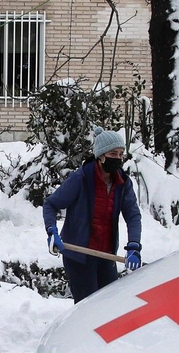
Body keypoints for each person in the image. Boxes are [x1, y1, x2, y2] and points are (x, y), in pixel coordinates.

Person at [44, 129, 143, 302]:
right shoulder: (81, 179)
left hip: (106, 255)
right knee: (86, 308)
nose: (118, 158)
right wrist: (52, 231)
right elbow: (51, 204)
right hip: (79, 257)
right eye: (113, 153)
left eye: (121, 154)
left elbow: (133, 215)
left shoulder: (122, 183)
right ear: (100, 156)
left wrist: (134, 245)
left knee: (108, 307)